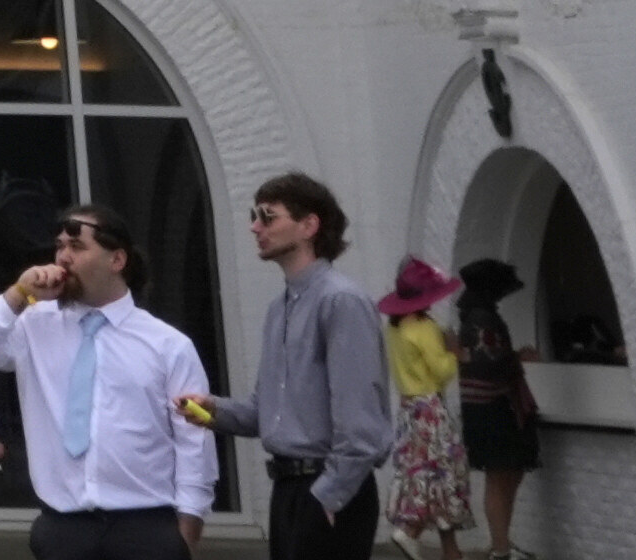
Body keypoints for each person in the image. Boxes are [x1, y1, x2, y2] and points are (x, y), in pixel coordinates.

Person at [0, 200, 219, 560]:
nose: (62, 257)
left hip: (145, 525)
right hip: (64, 527)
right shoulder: (35, 324)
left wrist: (188, 529)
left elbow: (195, 438)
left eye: (77, 247)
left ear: (117, 260)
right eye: (60, 246)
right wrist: (18, 294)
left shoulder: (168, 345)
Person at [204, 173, 401, 558]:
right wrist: (211, 410)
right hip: (289, 490)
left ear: (309, 225)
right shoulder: (280, 309)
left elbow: (360, 419)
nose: (255, 227)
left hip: (327, 490)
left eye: (268, 216)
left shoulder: (341, 301)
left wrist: (329, 497)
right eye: (254, 216)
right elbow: (268, 412)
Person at [369, 261, 470, 556]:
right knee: (440, 471)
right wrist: (454, 353)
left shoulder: (395, 329)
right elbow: (441, 372)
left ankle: (449, 549)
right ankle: (410, 531)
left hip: (408, 410)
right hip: (430, 408)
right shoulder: (425, 328)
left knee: (419, 471)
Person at [442, 258, 539, 559]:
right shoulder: (485, 319)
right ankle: (500, 547)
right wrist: (515, 359)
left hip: (482, 408)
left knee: (504, 474)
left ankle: (501, 543)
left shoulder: (472, 317)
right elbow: (487, 363)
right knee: (501, 475)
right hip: (495, 407)